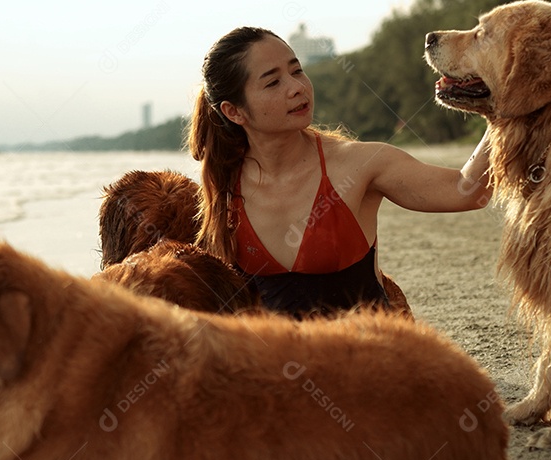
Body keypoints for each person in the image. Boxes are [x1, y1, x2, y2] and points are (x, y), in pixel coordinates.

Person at [188, 26, 492, 316]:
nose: (297, 88)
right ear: (234, 111)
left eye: (297, 71)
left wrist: (504, 107)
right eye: (272, 82)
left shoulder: (360, 164)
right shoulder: (223, 186)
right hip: (274, 366)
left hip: (367, 360)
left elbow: (467, 191)